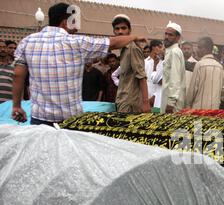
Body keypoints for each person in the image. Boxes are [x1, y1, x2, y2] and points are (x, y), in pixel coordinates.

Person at [11, 3, 145, 125]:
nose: (75, 27)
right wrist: (133, 37)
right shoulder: (77, 43)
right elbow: (112, 43)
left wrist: (16, 106)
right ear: (65, 22)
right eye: (74, 22)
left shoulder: (27, 42)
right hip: (69, 121)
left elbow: (18, 75)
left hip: (39, 119)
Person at [113, 14, 150, 114]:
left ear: (129, 31)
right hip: (122, 100)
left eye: (123, 28)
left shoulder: (132, 48)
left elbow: (141, 77)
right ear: (114, 32)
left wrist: (146, 103)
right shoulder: (123, 49)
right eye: (117, 29)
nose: (120, 31)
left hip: (130, 103)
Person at [186, 37, 224, 110]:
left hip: (198, 109)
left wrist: (188, 104)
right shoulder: (220, 67)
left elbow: (193, 89)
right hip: (214, 109)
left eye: (199, 47)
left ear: (205, 49)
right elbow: (223, 92)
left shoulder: (199, 65)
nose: (197, 50)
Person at [161, 21, 186, 114]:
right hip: (168, 100)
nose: (167, 37)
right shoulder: (170, 51)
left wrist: (170, 103)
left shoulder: (175, 52)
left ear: (178, 38)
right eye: (166, 34)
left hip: (172, 105)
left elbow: (175, 80)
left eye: (170, 35)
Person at [145, 39, 164, 108]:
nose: (161, 49)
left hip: (158, 97)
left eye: (162, 47)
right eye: (159, 47)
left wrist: (155, 96)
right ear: (153, 47)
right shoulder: (144, 62)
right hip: (146, 97)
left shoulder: (162, 62)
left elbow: (161, 82)